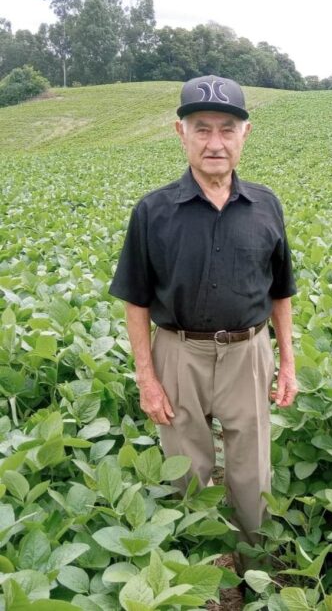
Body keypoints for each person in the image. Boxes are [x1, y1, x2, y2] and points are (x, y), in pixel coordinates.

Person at [109, 74, 298, 570]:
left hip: (248, 351)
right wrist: (146, 378)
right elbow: (135, 301)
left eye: (226, 129)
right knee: (187, 469)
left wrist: (287, 364)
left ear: (244, 134)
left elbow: (281, 292)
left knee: (251, 470)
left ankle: (255, 568)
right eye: (202, 128)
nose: (215, 142)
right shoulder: (153, 212)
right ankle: (204, 571)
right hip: (177, 351)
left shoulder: (266, 205)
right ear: (181, 133)